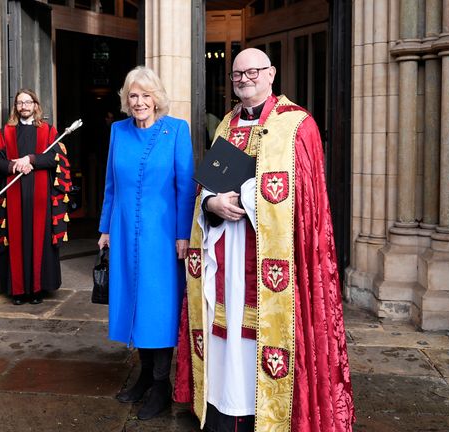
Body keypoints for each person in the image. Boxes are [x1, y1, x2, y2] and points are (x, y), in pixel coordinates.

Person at [174, 48, 355, 432]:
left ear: (271, 74)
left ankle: (269, 413)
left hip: (272, 260)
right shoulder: (226, 124)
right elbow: (208, 185)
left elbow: (306, 199)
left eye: (252, 71)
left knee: (259, 331)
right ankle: (225, 406)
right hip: (226, 252)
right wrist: (211, 203)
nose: (244, 79)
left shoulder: (297, 125)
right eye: (237, 74)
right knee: (227, 327)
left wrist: (248, 198)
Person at [98, 66, 195, 420]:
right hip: (124, 232)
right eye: (133, 95)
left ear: (157, 98)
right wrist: (106, 226)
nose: (139, 102)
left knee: (159, 308)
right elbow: (111, 182)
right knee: (133, 304)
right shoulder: (118, 131)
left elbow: (186, 187)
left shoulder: (176, 131)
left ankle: (160, 386)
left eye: (145, 95)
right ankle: (142, 375)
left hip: (162, 236)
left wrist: (183, 234)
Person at [0, 89, 72, 305]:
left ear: (35, 105)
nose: (24, 106)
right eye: (20, 103)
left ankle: (37, 289)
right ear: (15, 107)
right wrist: (14, 165)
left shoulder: (49, 132)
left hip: (41, 197)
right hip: (13, 196)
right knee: (16, 240)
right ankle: (18, 290)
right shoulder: (5, 133)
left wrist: (31, 159)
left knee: (39, 239)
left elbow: (55, 159)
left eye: (28, 102)